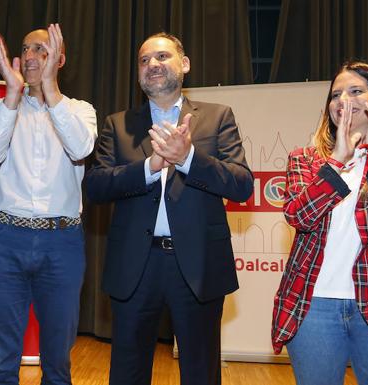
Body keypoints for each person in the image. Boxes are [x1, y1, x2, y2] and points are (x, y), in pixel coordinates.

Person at [85, 32, 254, 385]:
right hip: (136, 263)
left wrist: (188, 158)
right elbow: (95, 186)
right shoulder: (118, 124)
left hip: (198, 264)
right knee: (127, 373)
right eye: (144, 61)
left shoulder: (217, 117)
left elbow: (240, 184)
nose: (152, 65)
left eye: (162, 57)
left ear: (185, 64)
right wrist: (150, 167)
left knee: (200, 372)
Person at [271, 61, 368, 385]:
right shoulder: (305, 159)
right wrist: (337, 160)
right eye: (336, 94)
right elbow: (299, 215)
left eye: (356, 91)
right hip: (313, 308)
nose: (344, 100)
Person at [0, 24, 97, 385]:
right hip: (6, 239)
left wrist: (51, 89)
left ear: (60, 59)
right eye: (25, 48)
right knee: (3, 358)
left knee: (57, 360)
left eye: (41, 49)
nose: (29, 56)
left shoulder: (80, 110)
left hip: (62, 242)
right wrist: (12, 95)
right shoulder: (2, 106)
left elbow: (80, 148)